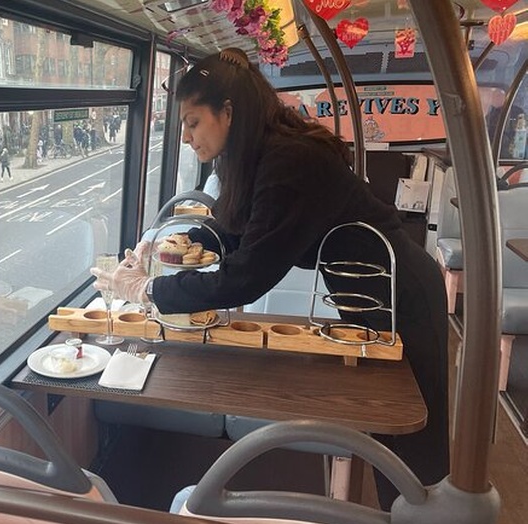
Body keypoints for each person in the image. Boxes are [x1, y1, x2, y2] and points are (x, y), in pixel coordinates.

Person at [91, 48, 449, 511]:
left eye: (193, 122)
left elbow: (247, 276)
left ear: (228, 112)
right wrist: (160, 248)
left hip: (398, 288)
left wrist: (150, 291)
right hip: (359, 287)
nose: (185, 137)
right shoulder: (246, 156)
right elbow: (232, 228)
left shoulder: (290, 161)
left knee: (413, 442)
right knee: (386, 436)